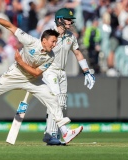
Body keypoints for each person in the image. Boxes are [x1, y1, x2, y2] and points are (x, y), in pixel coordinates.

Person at [0, 5, 83, 145]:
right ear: (44, 40)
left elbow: (36, 72)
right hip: (15, 75)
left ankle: (64, 131)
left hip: (33, 79)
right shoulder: (30, 41)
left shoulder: (50, 56)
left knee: (52, 98)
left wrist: (20, 61)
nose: (55, 45)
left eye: (56, 42)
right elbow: (10, 27)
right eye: (53, 42)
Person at [38, 8, 95, 145]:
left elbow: (78, 54)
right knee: (55, 100)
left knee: (61, 103)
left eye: (70, 20)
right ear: (59, 20)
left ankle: (51, 135)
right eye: (67, 19)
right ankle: (56, 134)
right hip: (49, 70)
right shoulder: (48, 34)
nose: (70, 22)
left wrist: (87, 72)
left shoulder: (70, 36)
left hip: (62, 72)